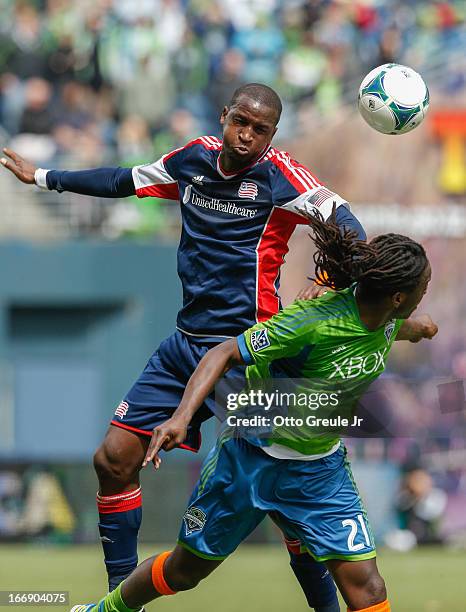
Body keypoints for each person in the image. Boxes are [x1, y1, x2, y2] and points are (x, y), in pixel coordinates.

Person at [1, 83, 365, 612]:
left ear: (272, 134)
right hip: (185, 345)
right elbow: (124, 180)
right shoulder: (192, 158)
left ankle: (327, 608)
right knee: (113, 459)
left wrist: (330, 278)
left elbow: (347, 222)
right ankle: (119, 602)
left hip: (251, 354)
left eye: (260, 129)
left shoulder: (282, 176)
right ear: (224, 116)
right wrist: (43, 176)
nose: (247, 135)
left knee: (287, 498)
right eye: (240, 122)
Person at [69, 210, 437, 612]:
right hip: (248, 461)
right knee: (183, 572)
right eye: (424, 286)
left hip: (319, 472)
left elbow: (398, 328)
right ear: (399, 297)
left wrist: (422, 329)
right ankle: (106, 610)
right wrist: (179, 418)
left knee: (368, 590)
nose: (425, 292)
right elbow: (223, 352)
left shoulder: (386, 319)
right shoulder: (312, 320)